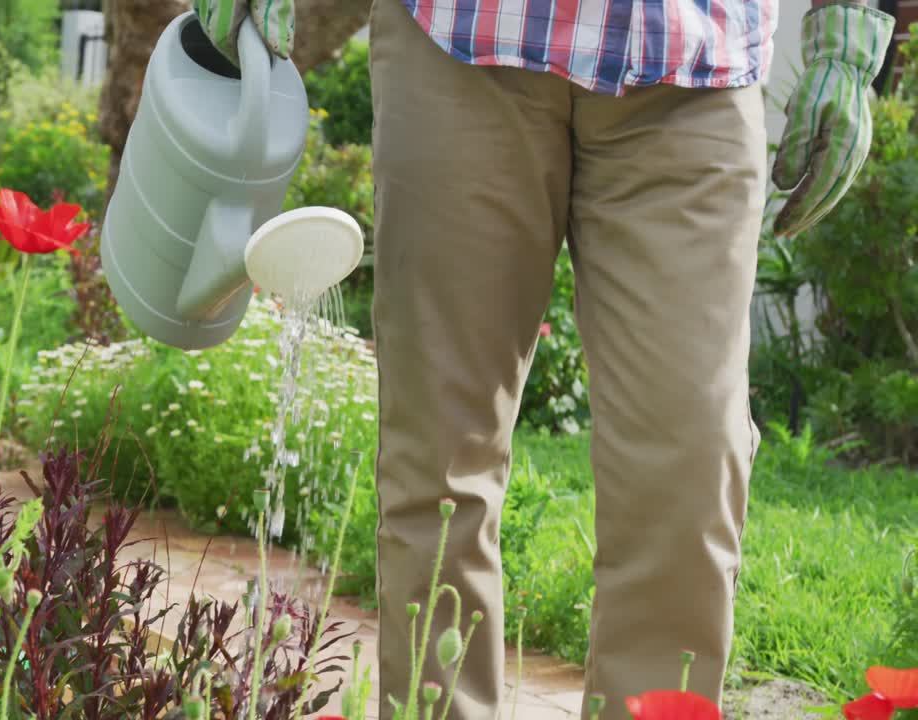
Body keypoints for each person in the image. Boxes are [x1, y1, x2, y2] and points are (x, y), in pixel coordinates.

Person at [192, 0, 894, 718]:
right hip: (462, 43)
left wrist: (850, 34)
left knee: (690, 461)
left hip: (695, 64)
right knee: (440, 461)